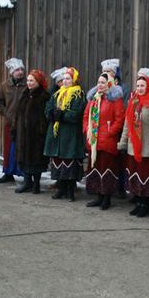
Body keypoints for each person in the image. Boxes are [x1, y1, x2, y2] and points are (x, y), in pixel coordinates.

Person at [118, 68, 149, 217]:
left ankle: (145, 204)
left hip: (146, 148)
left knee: (145, 177)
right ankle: (138, 202)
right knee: (135, 176)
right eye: (137, 86)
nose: (139, 88)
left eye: (142, 86)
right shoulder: (133, 102)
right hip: (133, 147)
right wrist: (123, 142)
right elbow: (127, 124)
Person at [83, 73, 125, 209]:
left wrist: (109, 132)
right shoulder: (94, 99)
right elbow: (86, 116)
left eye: (103, 82)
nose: (100, 85)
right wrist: (87, 130)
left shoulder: (115, 100)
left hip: (107, 142)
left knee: (106, 170)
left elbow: (119, 120)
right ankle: (98, 197)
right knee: (95, 169)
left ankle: (106, 198)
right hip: (94, 141)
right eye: (98, 82)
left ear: (110, 83)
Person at [44, 67, 86, 202]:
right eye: (63, 79)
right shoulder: (57, 94)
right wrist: (51, 114)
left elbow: (77, 114)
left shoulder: (78, 95)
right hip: (57, 133)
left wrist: (62, 115)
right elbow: (48, 107)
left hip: (70, 134)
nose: (65, 81)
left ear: (74, 80)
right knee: (59, 161)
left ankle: (70, 190)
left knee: (69, 161)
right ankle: (60, 189)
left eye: (68, 78)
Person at [13, 69, 51, 194]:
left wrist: (41, 133)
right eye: (28, 80)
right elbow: (18, 113)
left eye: (32, 81)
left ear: (38, 82)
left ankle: (36, 184)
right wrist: (15, 129)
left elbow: (44, 117)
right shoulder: (24, 94)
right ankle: (27, 182)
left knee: (36, 160)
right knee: (24, 159)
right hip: (23, 134)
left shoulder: (43, 96)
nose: (29, 83)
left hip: (35, 135)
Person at [0, 58, 27, 184]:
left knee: (23, 148)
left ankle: (26, 174)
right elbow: (0, 101)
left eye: (21, 70)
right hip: (10, 122)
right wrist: (5, 113)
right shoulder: (5, 85)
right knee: (9, 148)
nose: (20, 72)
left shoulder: (28, 84)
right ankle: (8, 173)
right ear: (11, 72)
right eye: (17, 70)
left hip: (24, 123)